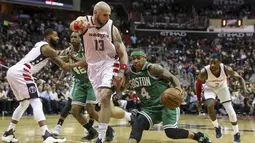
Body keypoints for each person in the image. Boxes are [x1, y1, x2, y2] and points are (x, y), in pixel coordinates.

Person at [1, 29, 85, 143]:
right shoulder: (47, 48)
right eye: (55, 36)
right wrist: (81, 62)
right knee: (36, 102)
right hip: (22, 72)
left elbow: (58, 58)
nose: (58, 38)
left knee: (24, 104)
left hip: (13, 72)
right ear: (49, 36)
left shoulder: (40, 46)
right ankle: (46, 135)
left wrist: (67, 56)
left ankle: (9, 133)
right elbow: (64, 66)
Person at [70, 1, 129, 142]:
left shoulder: (112, 28)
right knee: (108, 108)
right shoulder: (85, 21)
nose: (108, 17)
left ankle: (101, 137)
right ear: (96, 13)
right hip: (93, 67)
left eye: (109, 14)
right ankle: (130, 116)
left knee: (104, 97)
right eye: (105, 15)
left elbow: (122, 52)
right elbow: (73, 25)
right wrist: (78, 24)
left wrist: (122, 71)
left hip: (110, 63)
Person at [124, 51, 211, 143]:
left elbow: (173, 78)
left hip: (167, 104)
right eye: (133, 59)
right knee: (138, 124)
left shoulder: (153, 69)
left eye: (138, 58)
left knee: (171, 133)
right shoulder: (130, 74)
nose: (135, 61)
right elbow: (121, 88)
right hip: (150, 109)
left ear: (145, 59)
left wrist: (178, 89)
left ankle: (197, 136)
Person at [52, 32, 115, 142]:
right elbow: (64, 66)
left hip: (92, 82)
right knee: (75, 111)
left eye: (75, 37)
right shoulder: (66, 51)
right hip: (79, 83)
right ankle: (92, 131)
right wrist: (60, 78)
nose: (73, 39)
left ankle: (109, 130)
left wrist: (72, 57)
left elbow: (86, 63)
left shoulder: (87, 49)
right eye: (71, 37)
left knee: (90, 109)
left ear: (80, 39)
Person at [196, 53, 248, 143]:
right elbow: (198, 85)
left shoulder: (227, 69)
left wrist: (244, 88)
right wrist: (199, 100)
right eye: (210, 62)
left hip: (222, 87)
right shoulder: (203, 72)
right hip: (209, 88)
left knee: (230, 110)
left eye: (214, 63)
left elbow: (239, 78)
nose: (212, 65)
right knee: (209, 106)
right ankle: (217, 127)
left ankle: (236, 133)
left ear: (220, 62)